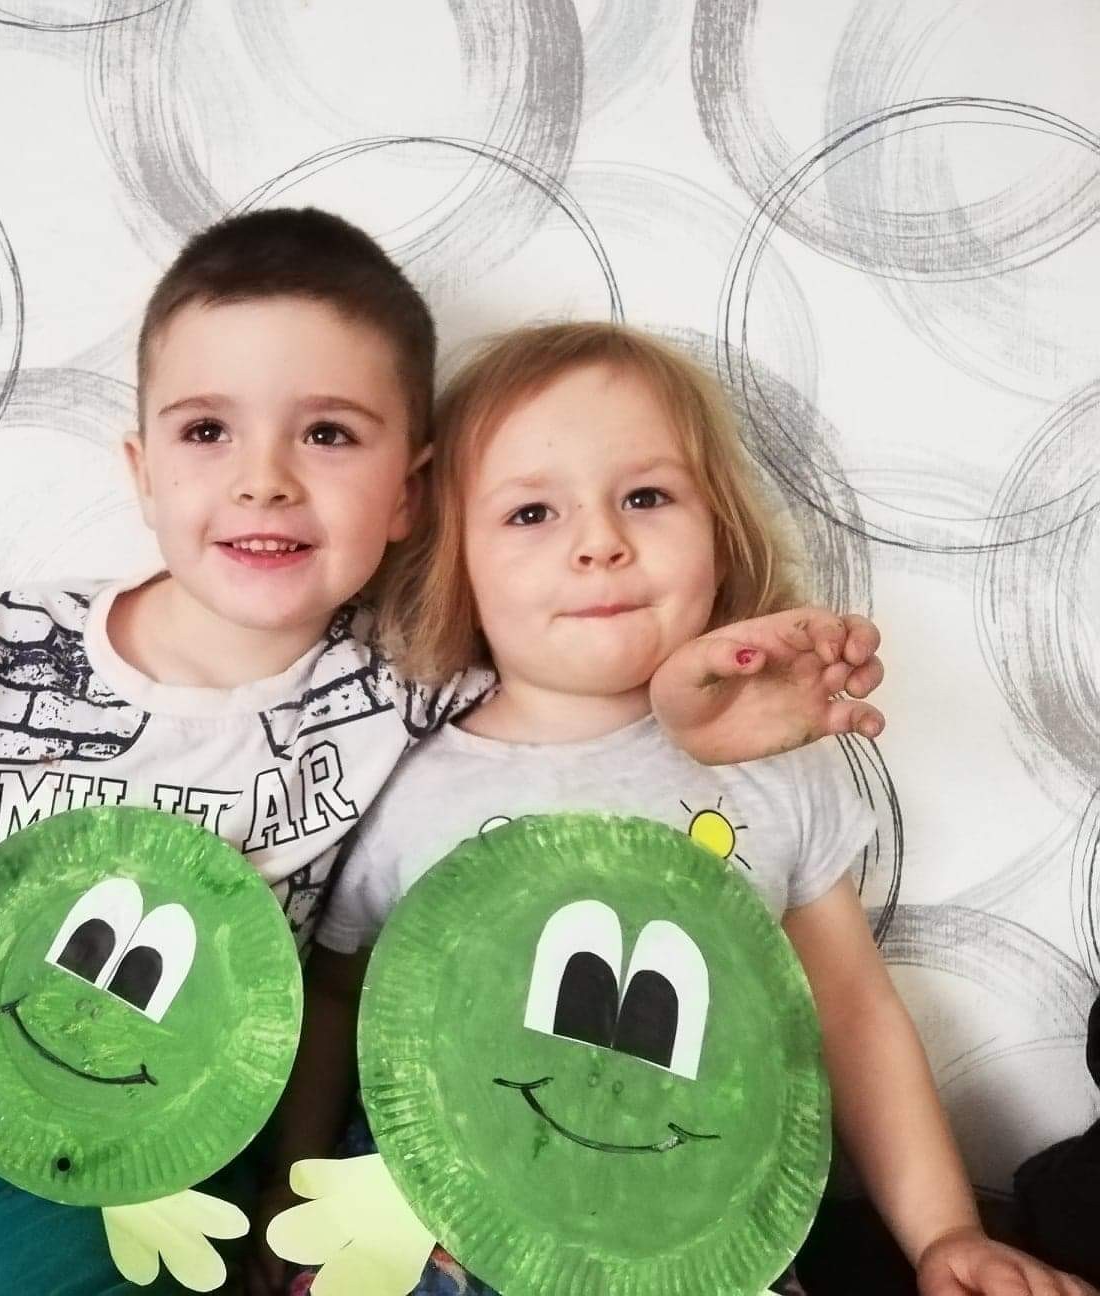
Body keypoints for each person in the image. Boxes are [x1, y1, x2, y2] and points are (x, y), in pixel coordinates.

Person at [0, 219, 883, 1295]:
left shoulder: (412, 678)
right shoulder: (18, 640)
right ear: (142, 471)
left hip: (147, 1124)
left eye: (328, 433)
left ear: (409, 496)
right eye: (207, 429)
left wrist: (694, 701)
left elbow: (578, 675)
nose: (264, 481)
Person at [286, 321, 1091, 1296]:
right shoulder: (408, 781)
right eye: (532, 512)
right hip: (442, 1239)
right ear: (453, 559)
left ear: (721, 533)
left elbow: (849, 1008)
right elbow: (339, 998)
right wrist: (287, 1198)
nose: (600, 543)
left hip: (695, 1240)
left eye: (646, 496)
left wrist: (944, 1234)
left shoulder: (774, 772)